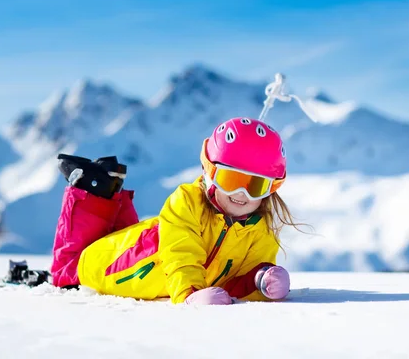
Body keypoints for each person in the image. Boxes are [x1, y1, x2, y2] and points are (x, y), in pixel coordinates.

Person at [50, 117, 300, 304]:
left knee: (126, 236)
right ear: (209, 172)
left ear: (272, 188)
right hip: (109, 265)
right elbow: (181, 255)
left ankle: (107, 186)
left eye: (256, 185)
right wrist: (190, 293)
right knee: (70, 270)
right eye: (231, 180)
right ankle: (91, 187)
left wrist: (261, 278)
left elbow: (237, 281)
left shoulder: (260, 229)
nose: (242, 194)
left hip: (142, 262)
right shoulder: (188, 201)